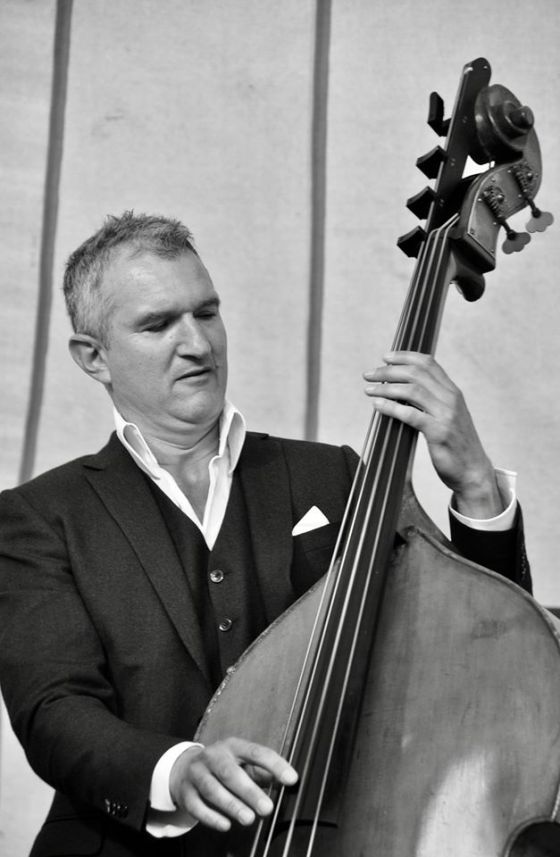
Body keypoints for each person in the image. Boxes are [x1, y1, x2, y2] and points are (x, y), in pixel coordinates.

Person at [0, 212, 531, 857]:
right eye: (158, 325)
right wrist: (175, 770)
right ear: (93, 357)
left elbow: (479, 647)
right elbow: (53, 709)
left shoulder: (336, 475)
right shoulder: (37, 517)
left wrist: (475, 483)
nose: (197, 344)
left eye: (207, 313)